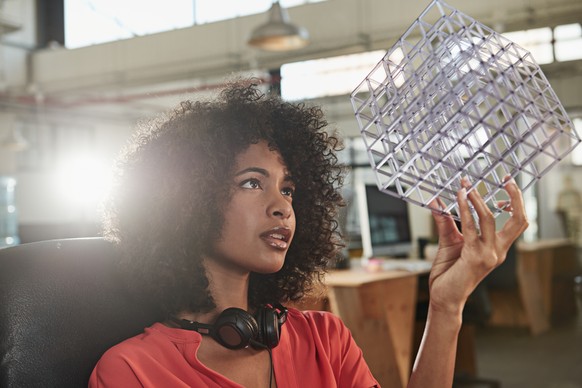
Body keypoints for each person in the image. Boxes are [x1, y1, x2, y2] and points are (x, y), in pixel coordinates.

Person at [89, 79, 528, 388]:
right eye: (251, 182)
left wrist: (446, 307)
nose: (283, 206)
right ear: (186, 199)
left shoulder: (324, 338)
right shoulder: (133, 372)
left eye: (289, 189)